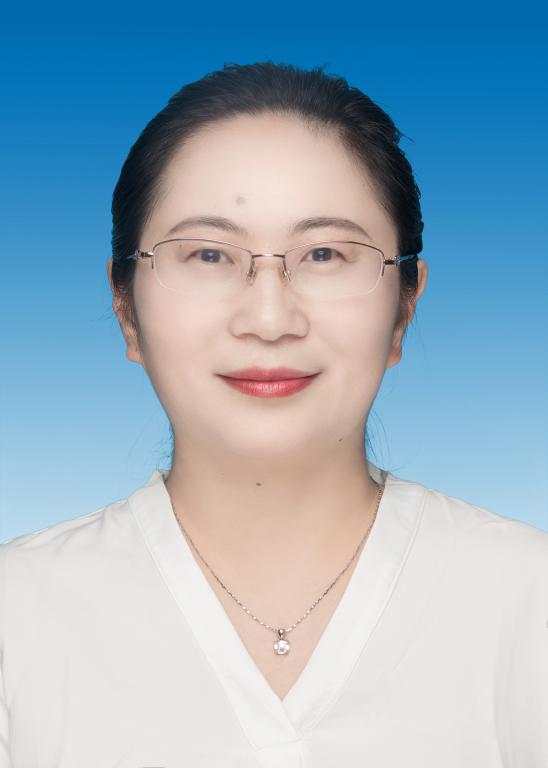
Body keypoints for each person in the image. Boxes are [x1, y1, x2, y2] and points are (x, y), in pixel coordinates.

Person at [0, 61, 546, 767]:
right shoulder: (18, 616)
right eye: (208, 254)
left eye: (324, 253)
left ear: (404, 307)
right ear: (125, 308)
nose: (268, 318)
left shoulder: (527, 600)